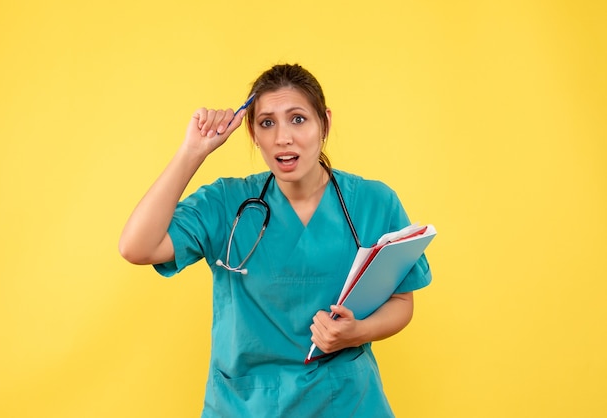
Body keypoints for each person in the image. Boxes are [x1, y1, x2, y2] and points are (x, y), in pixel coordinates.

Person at [119, 63, 431, 417]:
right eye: (267, 122)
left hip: (344, 402)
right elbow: (137, 247)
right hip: (246, 405)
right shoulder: (225, 203)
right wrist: (193, 152)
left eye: (298, 119)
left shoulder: (374, 202)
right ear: (253, 132)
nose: (283, 137)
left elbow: (402, 301)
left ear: (324, 123)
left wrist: (357, 332)